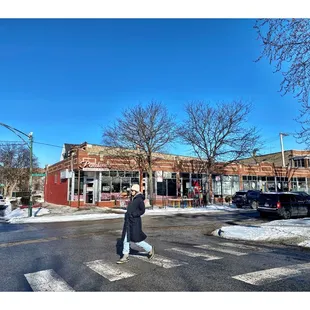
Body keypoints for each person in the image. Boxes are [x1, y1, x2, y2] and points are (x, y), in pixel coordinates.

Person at [117, 184, 155, 264]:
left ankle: (150, 249)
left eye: (133, 190)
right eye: (131, 190)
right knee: (125, 239)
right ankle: (125, 255)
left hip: (134, 222)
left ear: (136, 191)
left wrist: (134, 214)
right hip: (128, 221)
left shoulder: (139, 199)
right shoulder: (133, 199)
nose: (131, 192)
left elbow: (142, 210)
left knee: (137, 240)